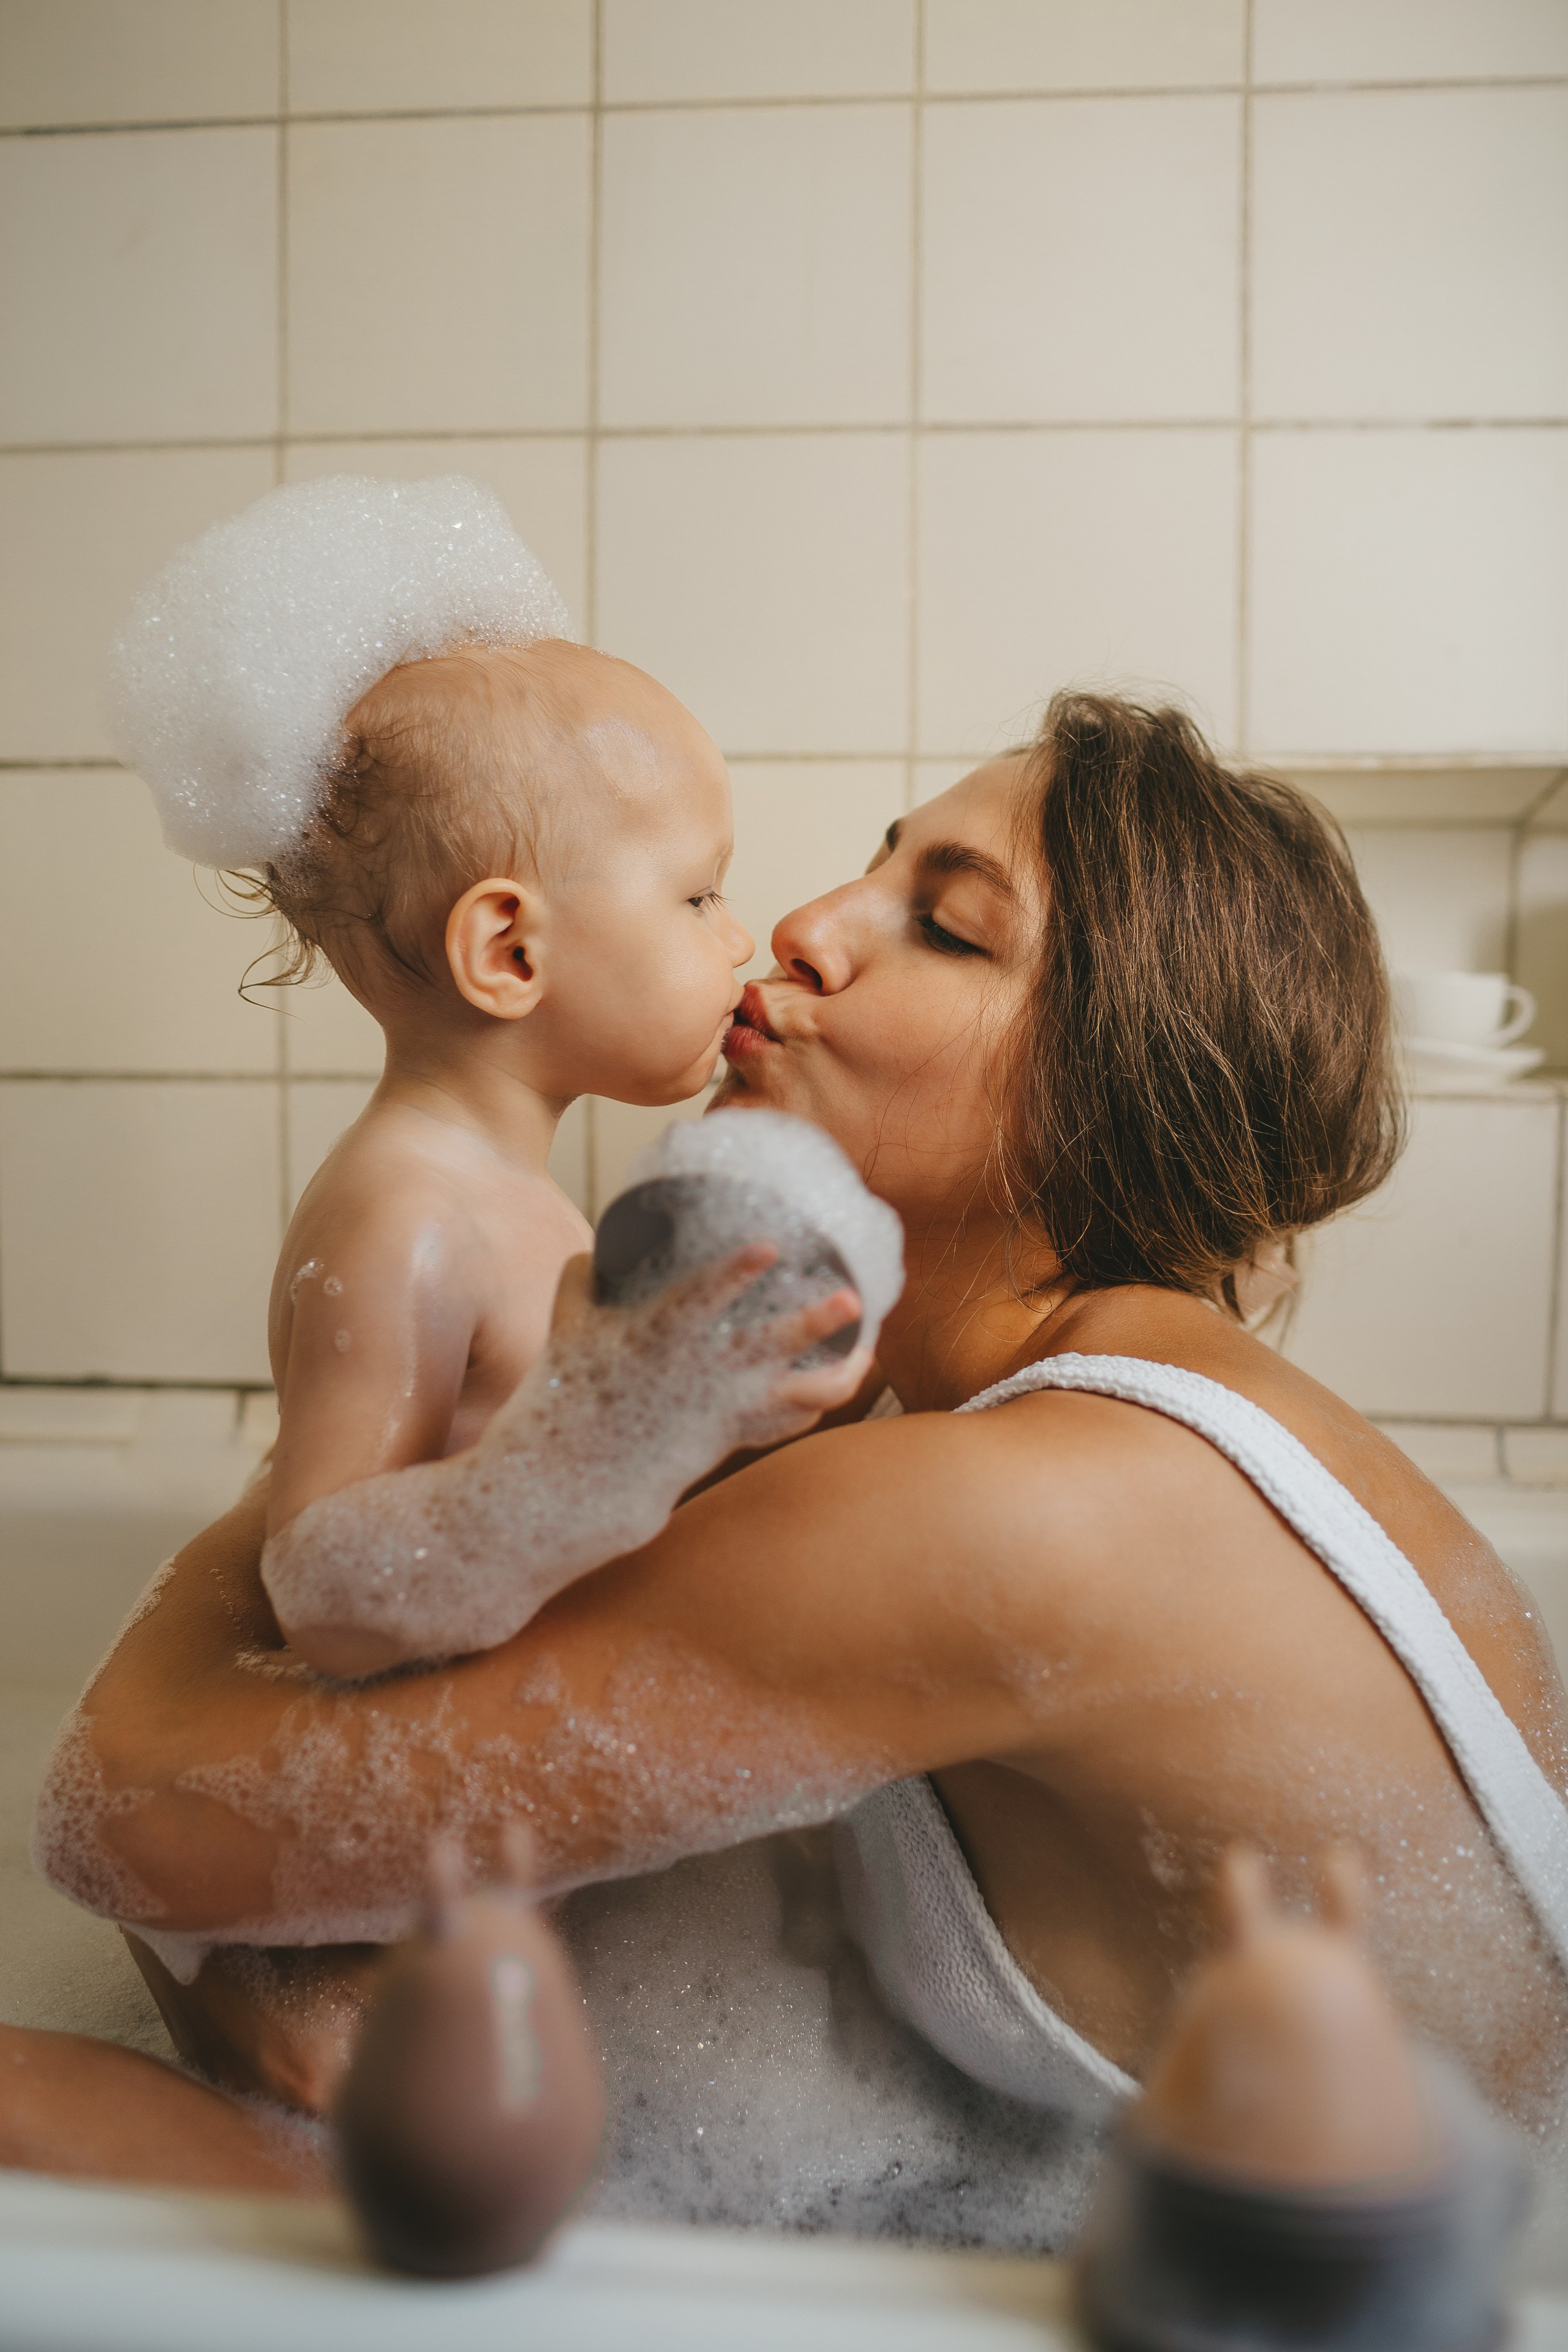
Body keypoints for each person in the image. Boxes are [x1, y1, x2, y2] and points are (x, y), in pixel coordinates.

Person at [17, 692, 1568, 2219]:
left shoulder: (1013, 1504)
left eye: (947, 928)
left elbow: (141, 1815)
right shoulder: (1085, 1404)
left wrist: (315, 1482)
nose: (809, 925)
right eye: (879, 864)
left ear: (1097, 1100)